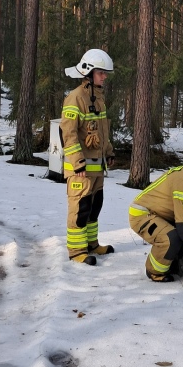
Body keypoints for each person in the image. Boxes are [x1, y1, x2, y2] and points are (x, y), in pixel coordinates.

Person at [61, 48, 115, 265]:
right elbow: (69, 133)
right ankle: (76, 251)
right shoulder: (75, 98)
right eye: (101, 73)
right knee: (80, 208)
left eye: (105, 73)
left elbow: (102, 131)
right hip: (81, 170)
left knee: (94, 206)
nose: (104, 77)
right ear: (88, 72)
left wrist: (108, 152)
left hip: (97, 167)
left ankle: (92, 244)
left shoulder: (98, 98)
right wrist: (78, 163)